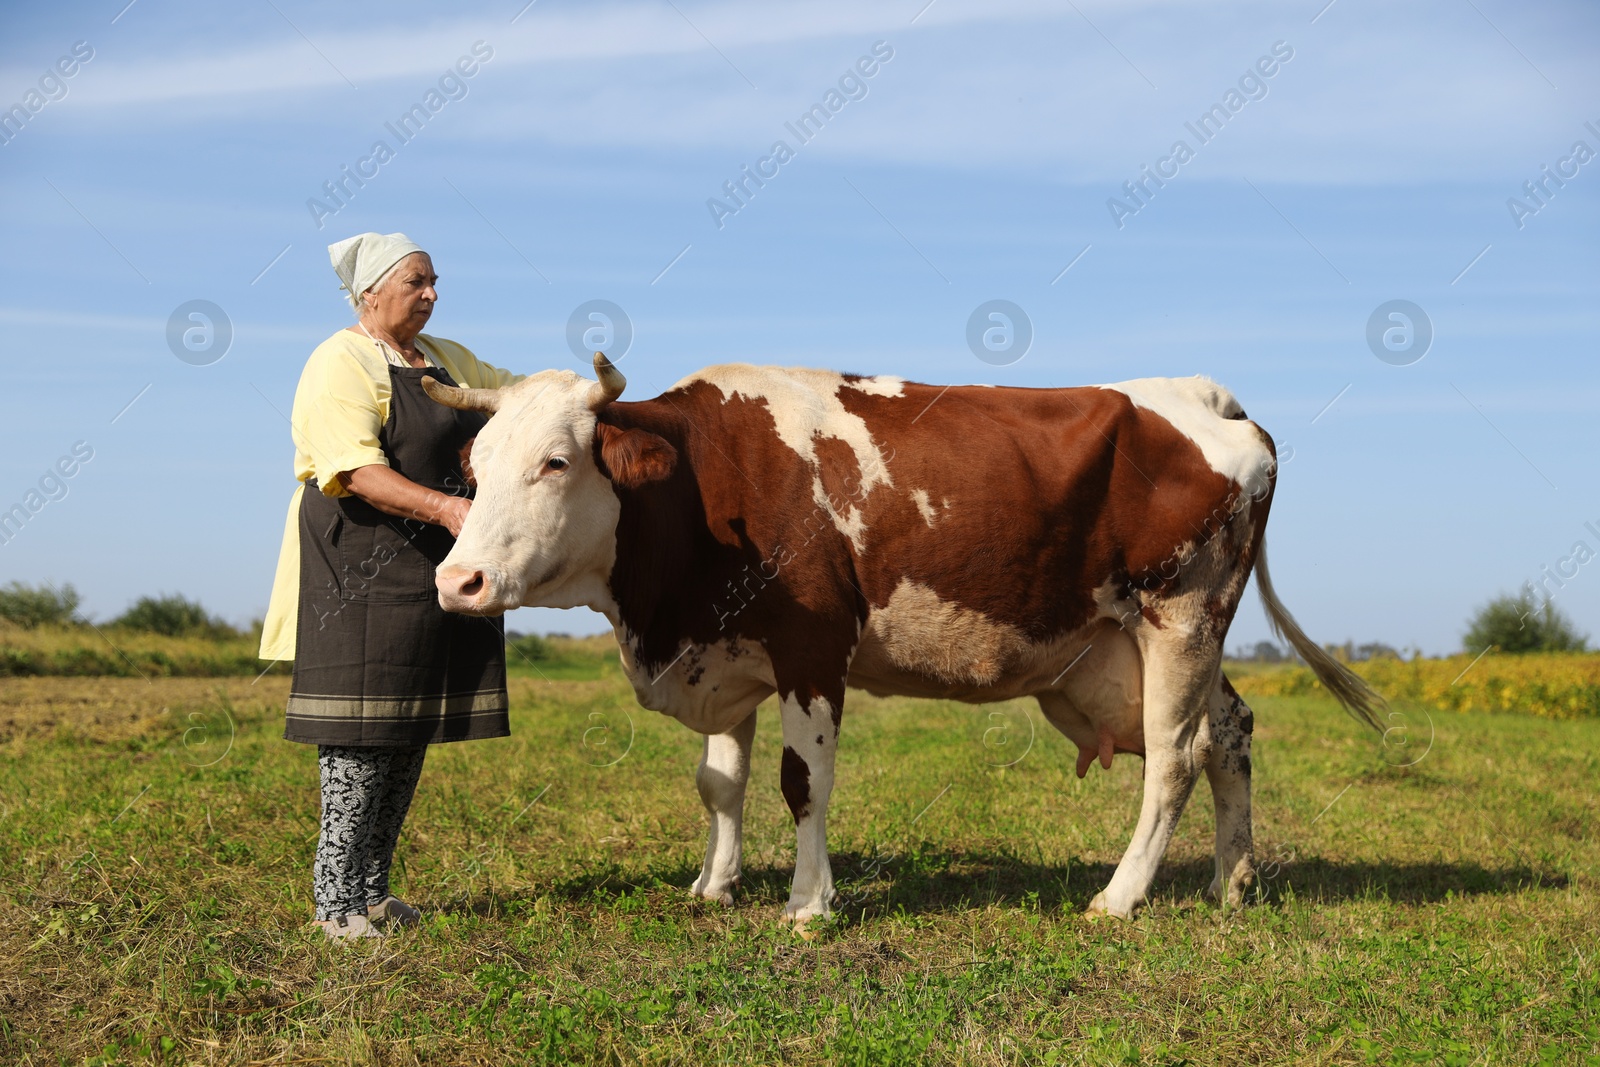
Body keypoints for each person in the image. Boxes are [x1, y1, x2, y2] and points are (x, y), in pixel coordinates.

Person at [259, 232, 524, 941]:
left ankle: (371, 892)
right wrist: (447, 507)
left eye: (435, 280)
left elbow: (520, 398)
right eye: (418, 282)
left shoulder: (448, 361)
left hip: (432, 565)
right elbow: (355, 469)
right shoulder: (339, 360)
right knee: (359, 734)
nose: (433, 294)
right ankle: (332, 903)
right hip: (361, 562)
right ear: (371, 292)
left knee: (408, 728)